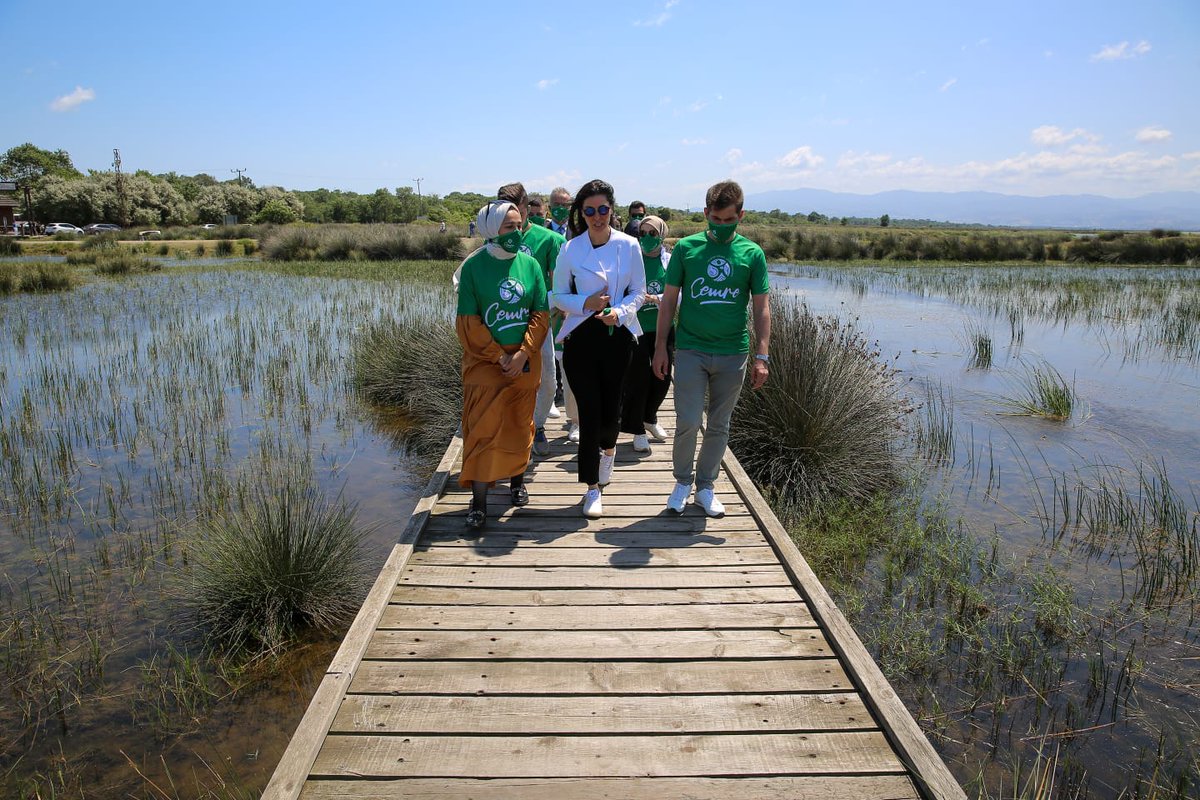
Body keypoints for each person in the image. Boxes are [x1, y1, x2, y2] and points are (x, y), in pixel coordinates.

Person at [652, 180, 770, 518]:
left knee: (719, 425)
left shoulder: (752, 254)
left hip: (734, 353)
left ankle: (705, 486)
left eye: (727, 220)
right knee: (688, 421)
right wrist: (661, 347)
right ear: (705, 214)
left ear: (740, 215)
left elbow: (761, 307)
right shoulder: (687, 250)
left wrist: (762, 356)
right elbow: (668, 301)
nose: (720, 227)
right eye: (714, 220)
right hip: (691, 348)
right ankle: (681, 482)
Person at [455, 200, 550, 530]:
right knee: (482, 430)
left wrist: (522, 354)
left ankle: (517, 484)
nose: (517, 232)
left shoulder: (531, 265)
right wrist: (499, 356)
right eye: (509, 227)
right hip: (485, 365)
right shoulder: (472, 268)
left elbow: (540, 314)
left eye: (519, 225)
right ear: (491, 230)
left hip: (524, 364)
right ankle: (479, 502)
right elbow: (469, 322)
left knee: (519, 425)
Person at [553, 179, 645, 518]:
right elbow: (557, 296)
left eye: (602, 209)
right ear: (581, 213)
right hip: (581, 336)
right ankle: (592, 487)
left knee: (611, 411)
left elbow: (639, 291)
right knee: (589, 412)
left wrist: (619, 312)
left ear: (611, 210)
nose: (596, 216)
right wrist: (586, 303)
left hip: (618, 336)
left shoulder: (629, 245)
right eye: (589, 210)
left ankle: (610, 452)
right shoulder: (570, 249)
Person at [495, 182, 565, 457]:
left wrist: (557, 311)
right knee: (503, 378)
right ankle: (511, 431)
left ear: (526, 208)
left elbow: (559, 284)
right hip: (503, 323)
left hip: (538, 322)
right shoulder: (493, 239)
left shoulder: (549, 240)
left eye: (515, 209)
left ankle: (539, 424)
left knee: (547, 379)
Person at [620, 214, 674, 453]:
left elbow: (678, 294)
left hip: (663, 328)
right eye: (643, 233)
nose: (647, 238)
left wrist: (656, 298)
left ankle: (649, 418)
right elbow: (623, 291)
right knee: (637, 379)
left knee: (661, 377)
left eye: (653, 234)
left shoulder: (670, 261)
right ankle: (637, 429)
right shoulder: (632, 261)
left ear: (662, 235)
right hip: (636, 329)